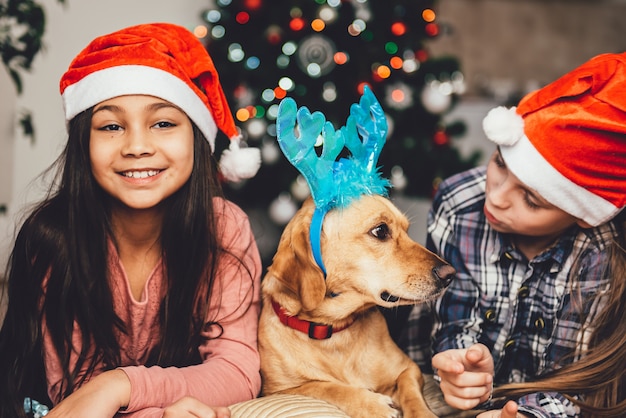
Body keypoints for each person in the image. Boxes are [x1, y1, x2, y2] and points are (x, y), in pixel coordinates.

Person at [0, 22, 263, 417]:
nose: (137, 146)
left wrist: (120, 383)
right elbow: (80, 402)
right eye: (111, 126)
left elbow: (238, 373)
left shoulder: (224, 228)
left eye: (163, 123)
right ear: (83, 144)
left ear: (196, 137)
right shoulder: (51, 240)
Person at [400, 51, 626, 418]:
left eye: (532, 201)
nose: (497, 196)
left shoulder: (598, 254)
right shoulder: (459, 202)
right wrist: (461, 364)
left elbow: (572, 379)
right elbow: (453, 315)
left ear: (582, 216)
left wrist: (524, 414)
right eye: (500, 163)